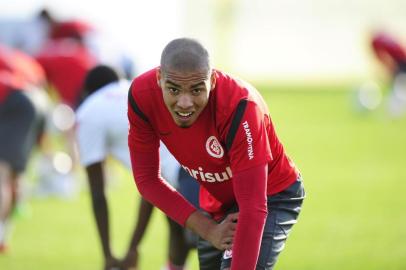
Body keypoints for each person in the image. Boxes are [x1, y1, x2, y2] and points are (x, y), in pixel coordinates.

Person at [127, 38, 305, 270]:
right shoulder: (142, 96)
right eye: (173, 89)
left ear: (212, 81)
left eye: (196, 89)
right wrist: (207, 229)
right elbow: (147, 181)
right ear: (159, 78)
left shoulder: (240, 106)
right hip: (219, 204)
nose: (184, 102)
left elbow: (253, 206)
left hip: (270, 196)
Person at [76, 65, 199, 270]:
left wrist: (109, 255)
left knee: (203, 238)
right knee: (180, 224)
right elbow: (152, 186)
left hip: (183, 174)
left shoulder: (89, 111)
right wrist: (134, 247)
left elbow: (98, 192)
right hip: (204, 160)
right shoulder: (135, 89)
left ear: (88, 92)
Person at [0, 44, 48, 252]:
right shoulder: (15, 57)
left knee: (2, 174)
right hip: (39, 100)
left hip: (17, 102)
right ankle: (3, 236)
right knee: (15, 175)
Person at [371, 31, 406, 116]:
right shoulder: (382, 41)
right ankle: (394, 109)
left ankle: (394, 110)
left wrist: (390, 72)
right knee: (398, 86)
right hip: (401, 61)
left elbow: (386, 60)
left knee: (398, 87)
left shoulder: (376, 43)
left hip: (401, 62)